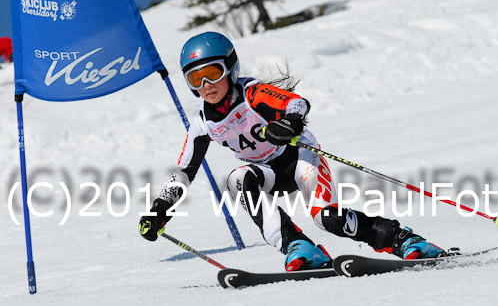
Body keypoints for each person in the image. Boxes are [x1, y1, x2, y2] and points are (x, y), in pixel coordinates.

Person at [139, 32, 446, 271]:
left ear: (230, 69)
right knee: (237, 179)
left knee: (329, 220)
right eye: (195, 78)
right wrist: (160, 208)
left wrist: (289, 123)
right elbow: (183, 171)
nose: (206, 84)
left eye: (213, 72)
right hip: (267, 173)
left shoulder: (252, 92)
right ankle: (297, 246)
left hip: (299, 158)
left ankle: (402, 240)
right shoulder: (202, 123)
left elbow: (296, 103)